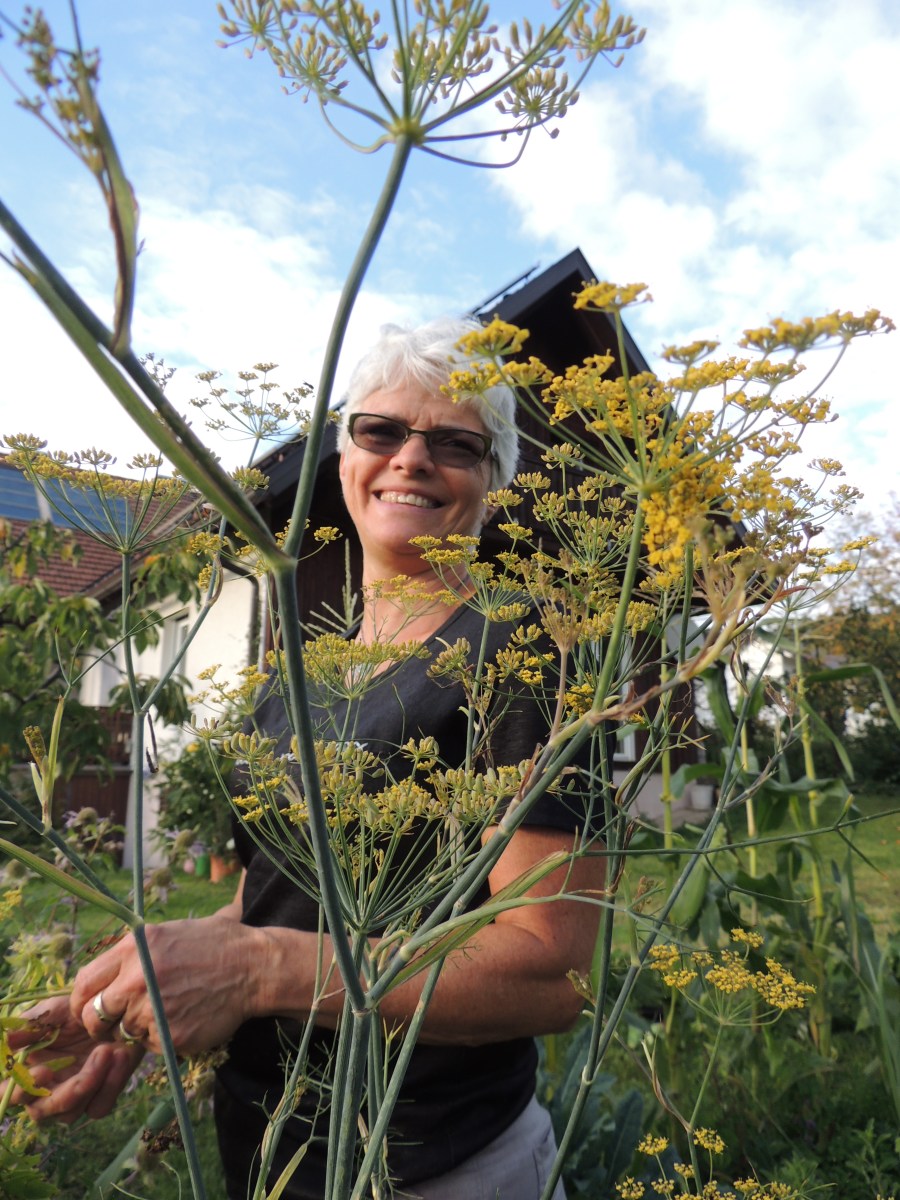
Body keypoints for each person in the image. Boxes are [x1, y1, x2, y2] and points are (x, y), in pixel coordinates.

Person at [10, 318, 607, 1199]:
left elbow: (553, 974)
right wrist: (141, 995)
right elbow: (273, 898)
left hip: (430, 1165)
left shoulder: (519, 658)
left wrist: (260, 970)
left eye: (455, 443)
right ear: (345, 458)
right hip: (271, 1155)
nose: (412, 458)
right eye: (381, 431)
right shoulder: (299, 671)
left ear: (495, 479)